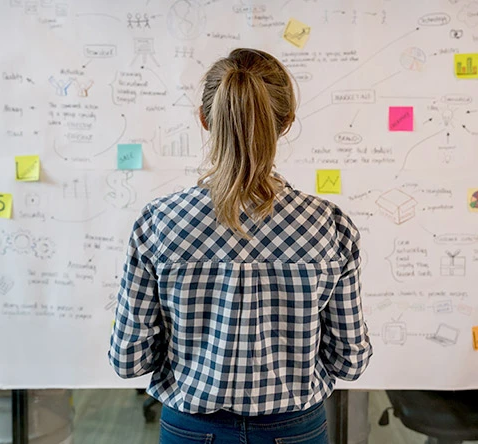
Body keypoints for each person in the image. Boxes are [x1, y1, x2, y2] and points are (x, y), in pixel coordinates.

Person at [109, 48, 372, 444]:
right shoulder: (328, 224)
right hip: (295, 430)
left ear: (204, 119)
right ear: (285, 124)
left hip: (191, 429)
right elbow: (350, 362)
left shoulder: (158, 222)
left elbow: (128, 360)